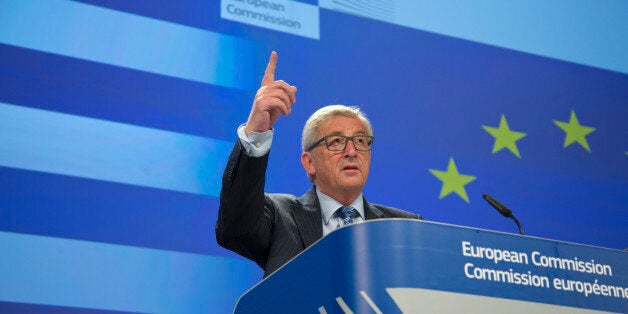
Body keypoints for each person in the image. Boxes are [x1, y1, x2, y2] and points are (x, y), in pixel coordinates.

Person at [216, 52, 421, 278]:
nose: (351, 152)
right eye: (336, 142)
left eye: (361, 141)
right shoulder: (280, 216)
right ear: (309, 162)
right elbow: (236, 228)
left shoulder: (406, 227)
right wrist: (256, 132)